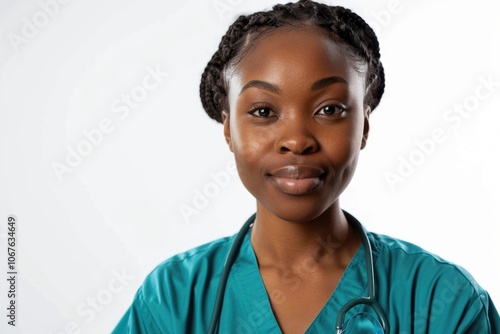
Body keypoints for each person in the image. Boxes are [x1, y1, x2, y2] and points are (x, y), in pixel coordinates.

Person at [112, 0, 500, 332]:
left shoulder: (443, 300)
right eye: (263, 111)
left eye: (329, 109)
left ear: (363, 125)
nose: (297, 140)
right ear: (229, 129)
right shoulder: (173, 299)